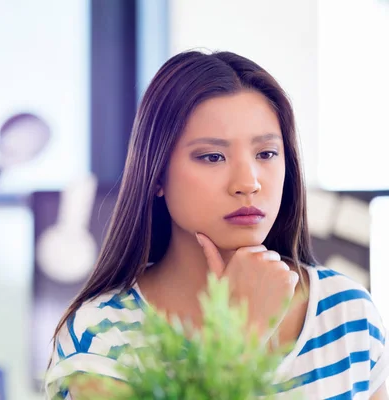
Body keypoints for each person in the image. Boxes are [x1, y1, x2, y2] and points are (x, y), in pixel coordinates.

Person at [44, 50, 389, 399]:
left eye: (266, 154)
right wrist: (237, 340)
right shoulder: (103, 333)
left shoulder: (347, 312)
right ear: (157, 174)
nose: (248, 182)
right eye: (212, 157)